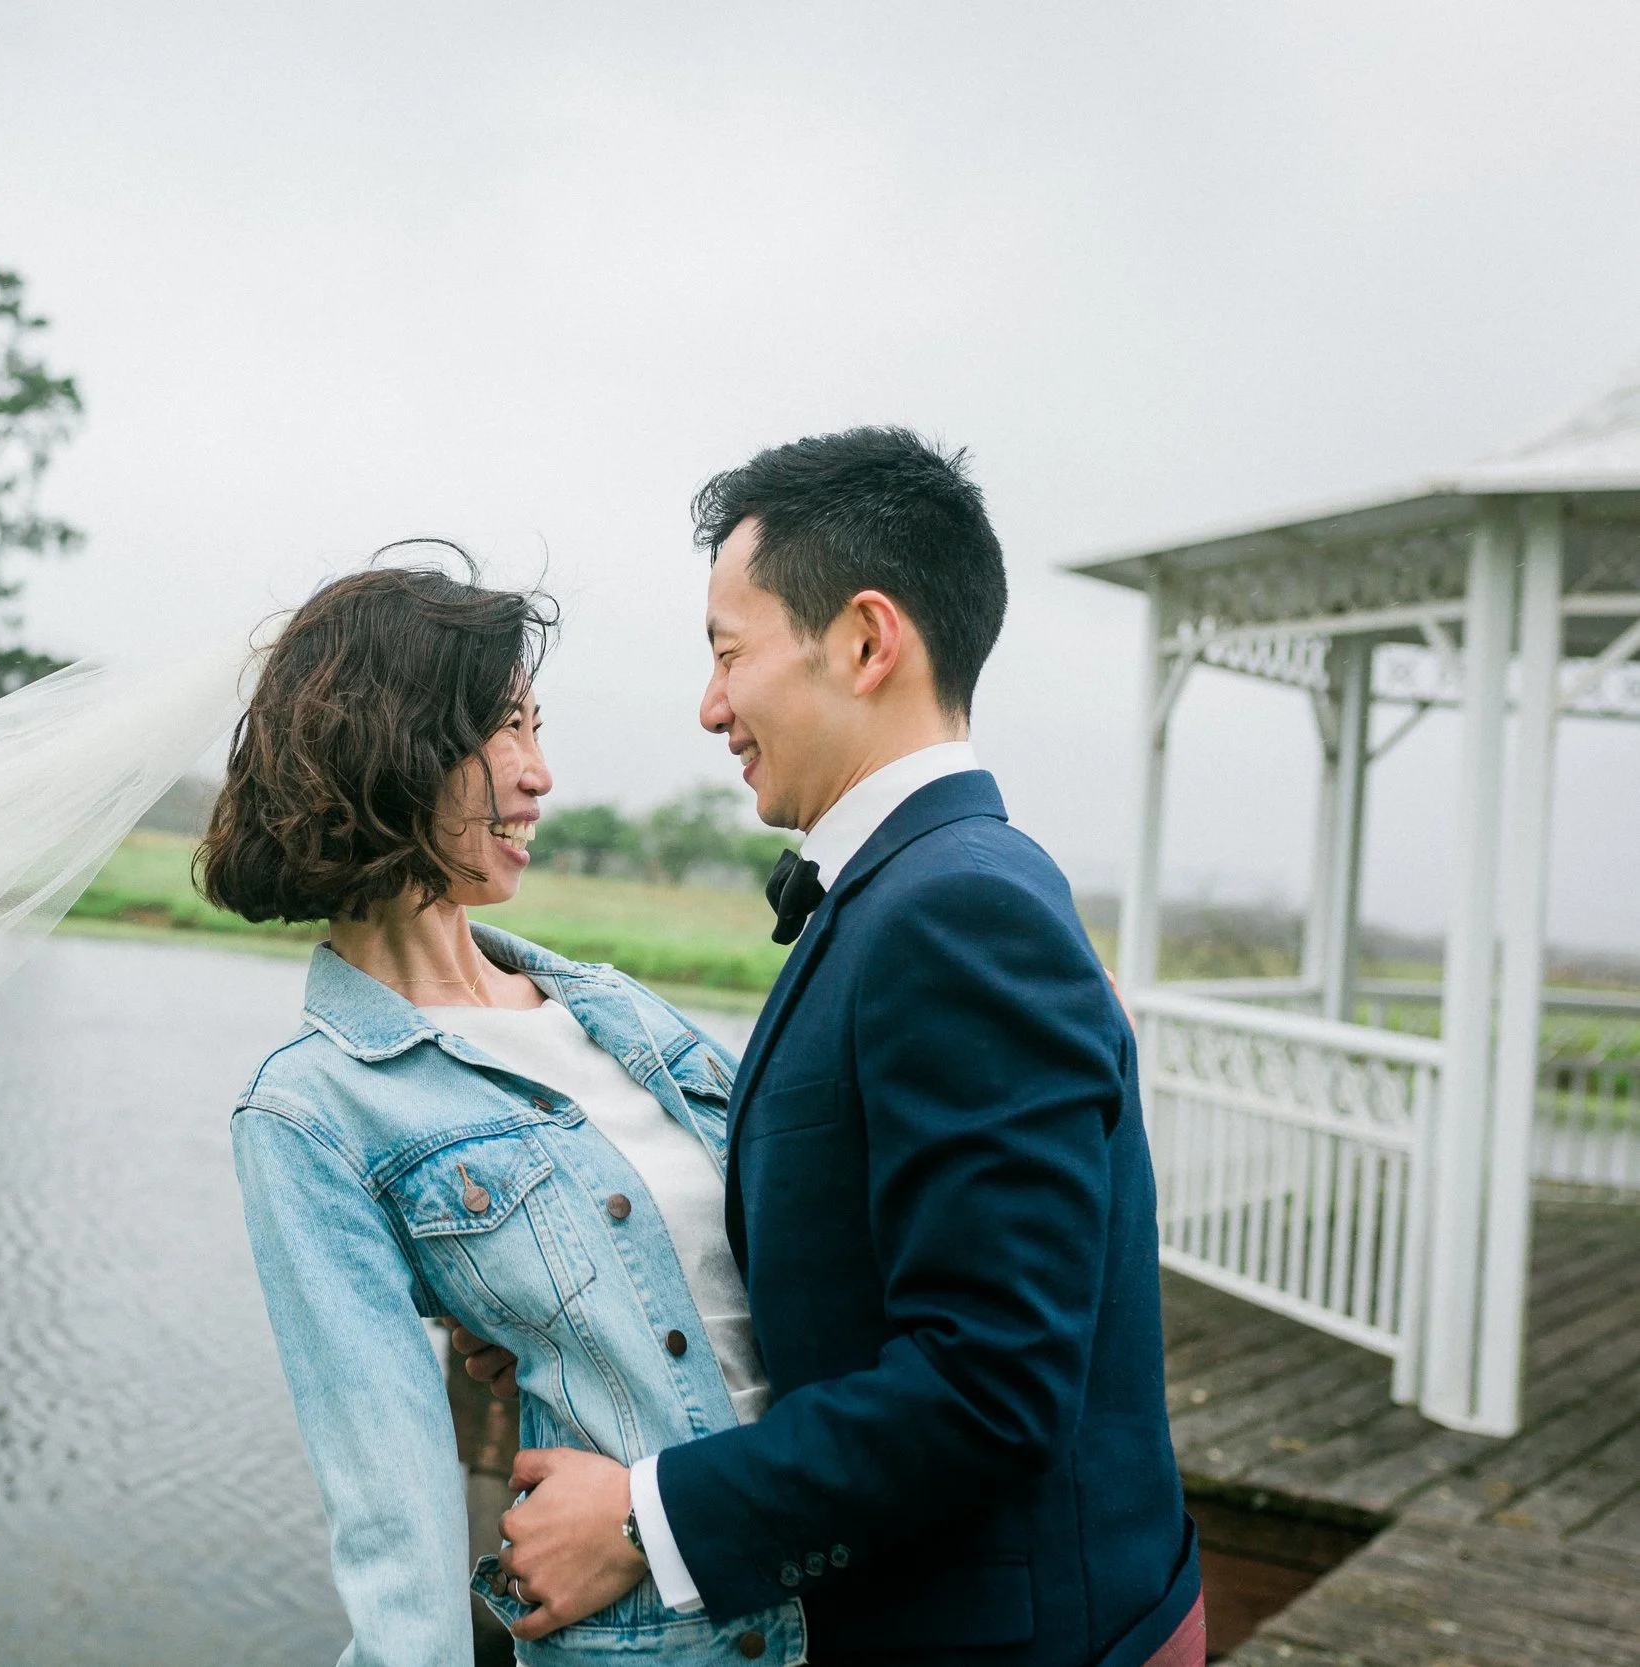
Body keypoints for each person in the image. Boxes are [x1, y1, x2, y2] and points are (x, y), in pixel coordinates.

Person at [483, 430, 1205, 1666]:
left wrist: (650, 1520)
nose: (710, 704)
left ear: (867, 642)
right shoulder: (932, 888)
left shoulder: (956, 912)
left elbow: (990, 1386)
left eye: (728, 651)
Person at [209, 560, 809, 1665]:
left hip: (845, 1594)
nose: (539, 774)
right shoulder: (307, 1111)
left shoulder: (614, 1005)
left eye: (538, 725)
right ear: (392, 743)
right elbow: (391, 1508)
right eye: (502, 729)